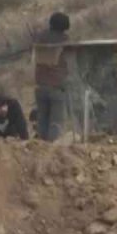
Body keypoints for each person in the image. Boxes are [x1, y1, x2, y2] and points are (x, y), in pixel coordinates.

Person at [33, 12, 72, 142]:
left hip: (40, 86)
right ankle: (51, 152)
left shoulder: (41, 38)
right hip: (57, 86)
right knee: (56, 122)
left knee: (42, 120)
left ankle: (39, 148)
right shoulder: (64, 40)